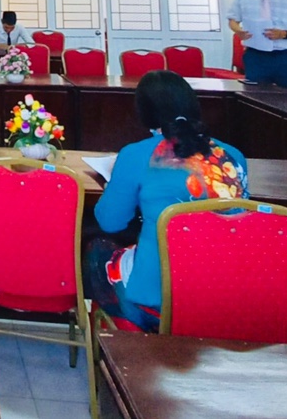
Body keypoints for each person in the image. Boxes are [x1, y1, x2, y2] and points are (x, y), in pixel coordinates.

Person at [87, 70, 249, 332]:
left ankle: (123, 347)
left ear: (144, 114)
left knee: (97, 251)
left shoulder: (136, 155)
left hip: (159, 301)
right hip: (222, 292)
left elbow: (110, 222)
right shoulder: (233, 155)